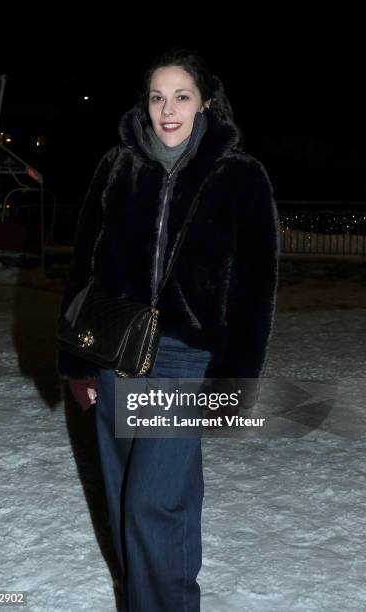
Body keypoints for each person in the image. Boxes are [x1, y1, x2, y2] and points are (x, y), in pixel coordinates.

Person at [57, 47, 279, 612]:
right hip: (114, 353)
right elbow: (83, 266)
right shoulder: (117, 165)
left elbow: (256, 288)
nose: (168, 109)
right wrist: (77, 360)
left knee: (153, 505)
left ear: (205, 101)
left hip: (183, 360)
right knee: (125, 499)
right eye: (158, 97)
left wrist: (235, 381)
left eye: (181, 96)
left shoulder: (240, 176)